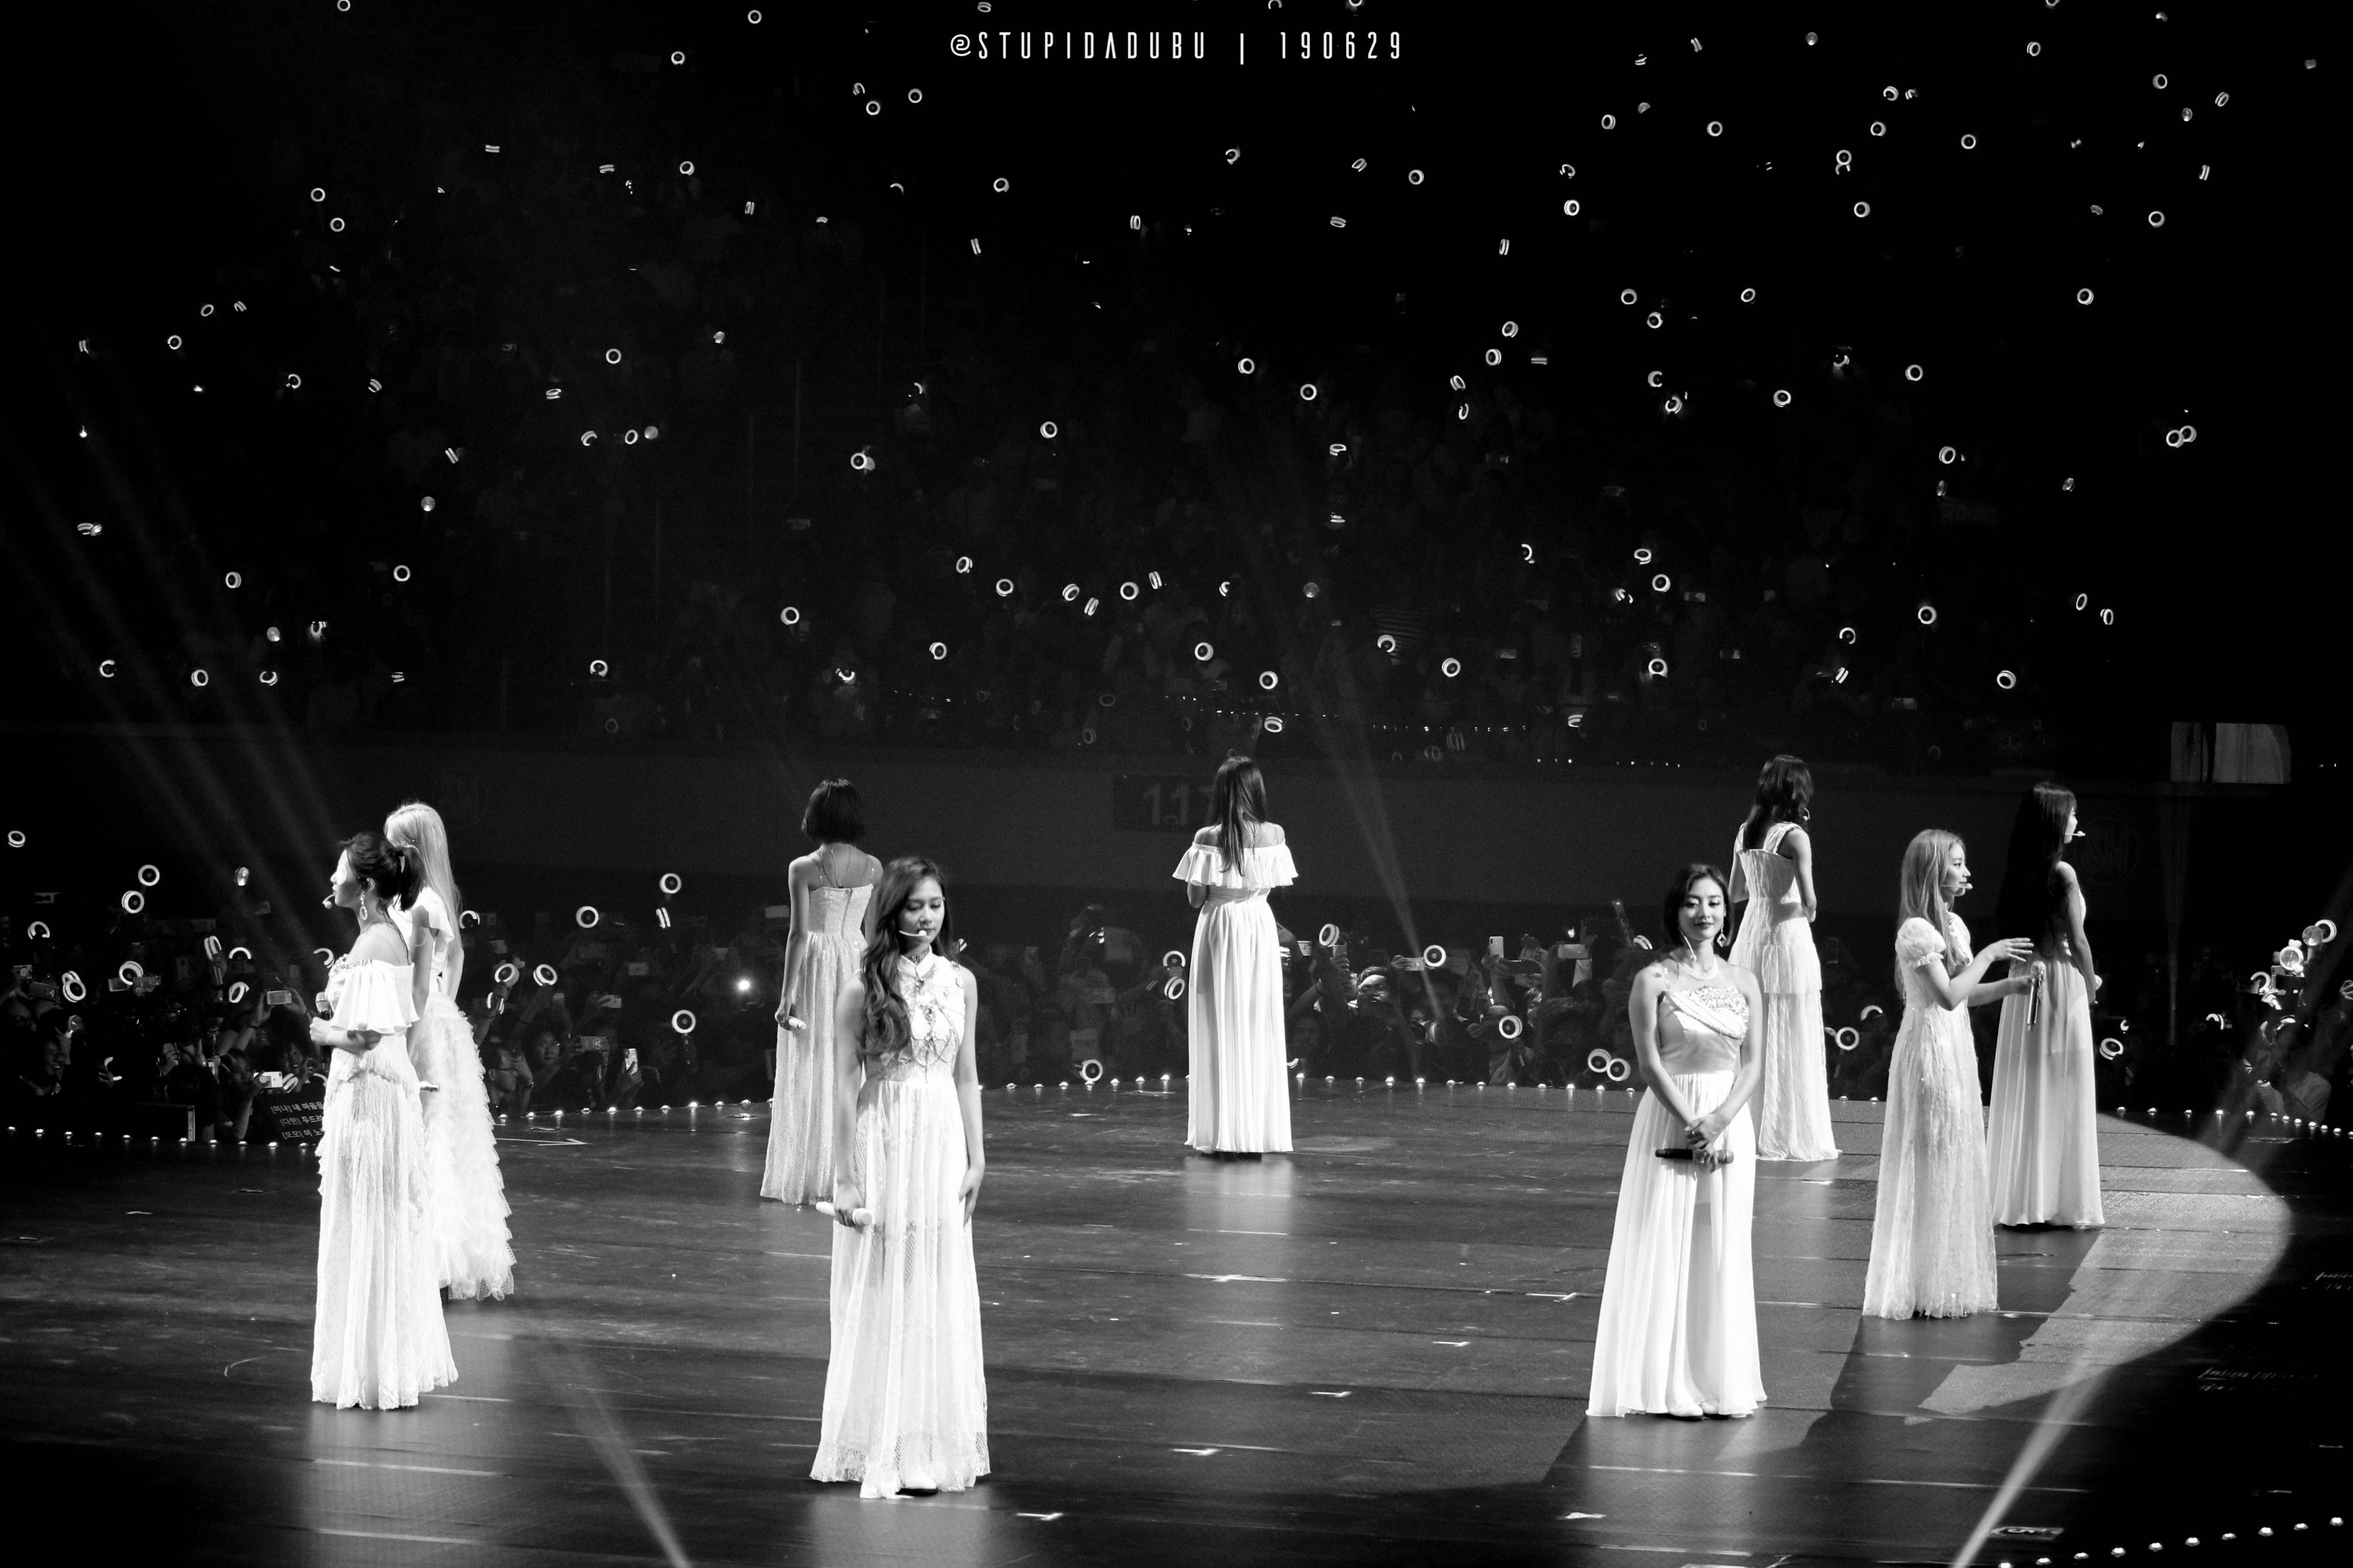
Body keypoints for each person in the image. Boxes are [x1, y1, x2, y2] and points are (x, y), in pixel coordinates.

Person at [813, 856, 989, 1498]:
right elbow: (844, 1085)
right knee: (885, 1282)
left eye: (936, 904)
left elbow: (966, 1075)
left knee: (933, 1281)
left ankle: (928, 1441)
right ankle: (884, 1441)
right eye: (915, 905)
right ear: (891, 911)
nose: (928, 916)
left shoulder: (961, 981)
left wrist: (977, 1157)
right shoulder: (860, 987)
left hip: (940, 1139)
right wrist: (845, 1177)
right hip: (885, 1135)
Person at [1587, 864, 1767, 1419]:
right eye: (1693, 902)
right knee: (1666, 1241)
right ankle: (1667, 1383)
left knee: (1722, 1246)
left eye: (1713, 902)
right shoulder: (1653, 980)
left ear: (1726, 912)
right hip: (1673, 1116)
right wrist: (1695, 1123)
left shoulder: (1745, 982)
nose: (1704, 912)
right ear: (1676, 911)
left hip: (1730, 1121)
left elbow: (1754, 1064)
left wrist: (1721, 1121)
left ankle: (1719, 1379)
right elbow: (1649, 1064)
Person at [1862, 831, 2037, 1319]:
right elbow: (1946, 996)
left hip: (1954, 1046)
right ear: (1933, 870)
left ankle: (1943, 1280)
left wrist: (2011, 986)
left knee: (1952, 1152)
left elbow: (1965, 994)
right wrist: (1990, 956)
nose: (1966, 872)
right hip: (1928, 1050)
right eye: (1957, 864)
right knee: (1929, 1154)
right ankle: (1918, 1282)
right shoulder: (1916, 931)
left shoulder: (1954, 925)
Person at [310, 832, 457, 1409]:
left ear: (365, 884)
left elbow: (366, 1037)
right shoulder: (386, 934)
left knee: (366, 1220)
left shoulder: (375, 941)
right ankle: (379, 1366)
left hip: (369, 1096)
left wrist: (324, 1030)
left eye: (339, 872)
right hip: (381, 1091)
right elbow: (402, 1006)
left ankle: (370, 1370)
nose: (332, 880)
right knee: (378, 1222)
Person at [386, 800, 515, 1300]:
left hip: (421, 1024)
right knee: (431, 1135)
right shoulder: (426, 898)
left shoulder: (424, 902)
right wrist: (445, 1002)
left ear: (413, 849)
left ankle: (435, 1264)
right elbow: (455, 955)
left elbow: (432, 972)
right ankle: (431, 1260)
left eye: (395, 845)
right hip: (430, 1018)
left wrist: (433, 1007)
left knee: (432, 1137)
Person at [1988, 782, 2106, 1228]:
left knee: (2029, 1082)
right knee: (2062, 1084)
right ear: (2057, 821)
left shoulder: (2021, 870)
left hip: (2024, 979)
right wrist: (2092, 986)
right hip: (2058, 980)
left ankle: (2025, 1197)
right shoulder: (2063, 872)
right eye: (2072, 813)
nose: (2077, 821)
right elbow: (2079, 941)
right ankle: (2058, 1200)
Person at [762, 779, 882, 1204]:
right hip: (855, 962)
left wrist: (785, 996)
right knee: (850, 1061)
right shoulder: (873, 867)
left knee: (812, 1058)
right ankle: (852, 1172)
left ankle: (811, 1172)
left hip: (816, 965)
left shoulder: (803, 868)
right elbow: (874, 935)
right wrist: (877, 984)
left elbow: (798, 934)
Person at [1173, 755, 1298, 1156]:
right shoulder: (1274, 834)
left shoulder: (1208, 837)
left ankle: (1225, 1133)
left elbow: (1195, 899)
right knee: (1257, 1023)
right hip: (1258, 926)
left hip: (1220, 925)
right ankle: (1255, 1133)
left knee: (1219, 1022)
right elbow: (1272, 885)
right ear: (1256, 790)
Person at [1727, 755, 1839, 1161]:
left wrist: (1763, 889)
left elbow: (1735, 893)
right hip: (1787, 938)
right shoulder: (1795, 837)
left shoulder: (1745, 832)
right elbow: (1810, 903)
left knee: (1752, 1027)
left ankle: (1745, 1124)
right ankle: (1784, 1129)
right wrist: (1800, 905)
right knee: (1789, 1028)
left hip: (1751, 936)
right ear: (1799, 791)